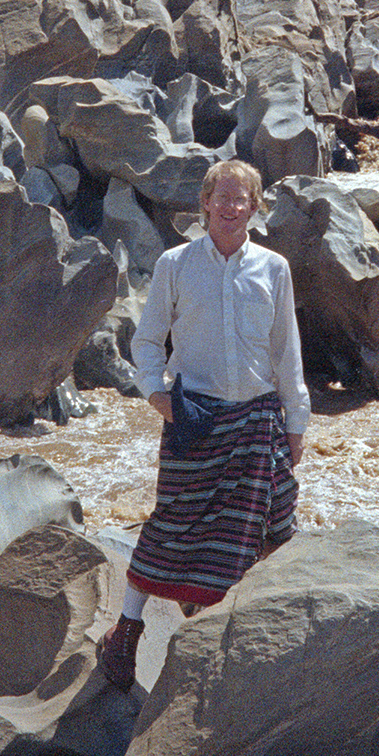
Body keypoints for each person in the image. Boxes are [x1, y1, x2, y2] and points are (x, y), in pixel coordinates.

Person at [100, 158, 310, 691]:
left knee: (271, 521)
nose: (232, 208)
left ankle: (231, 628)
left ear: (255, 208)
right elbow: (146, 341)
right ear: (205, 204)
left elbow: (287, 352)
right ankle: (126, 630)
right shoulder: (175, 264)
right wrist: (157, 394)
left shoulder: (274, 268)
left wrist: (297, 420)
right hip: (193, 415)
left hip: (259, 417)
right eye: (224, 198)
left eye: (243, 199)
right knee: (171, 522)